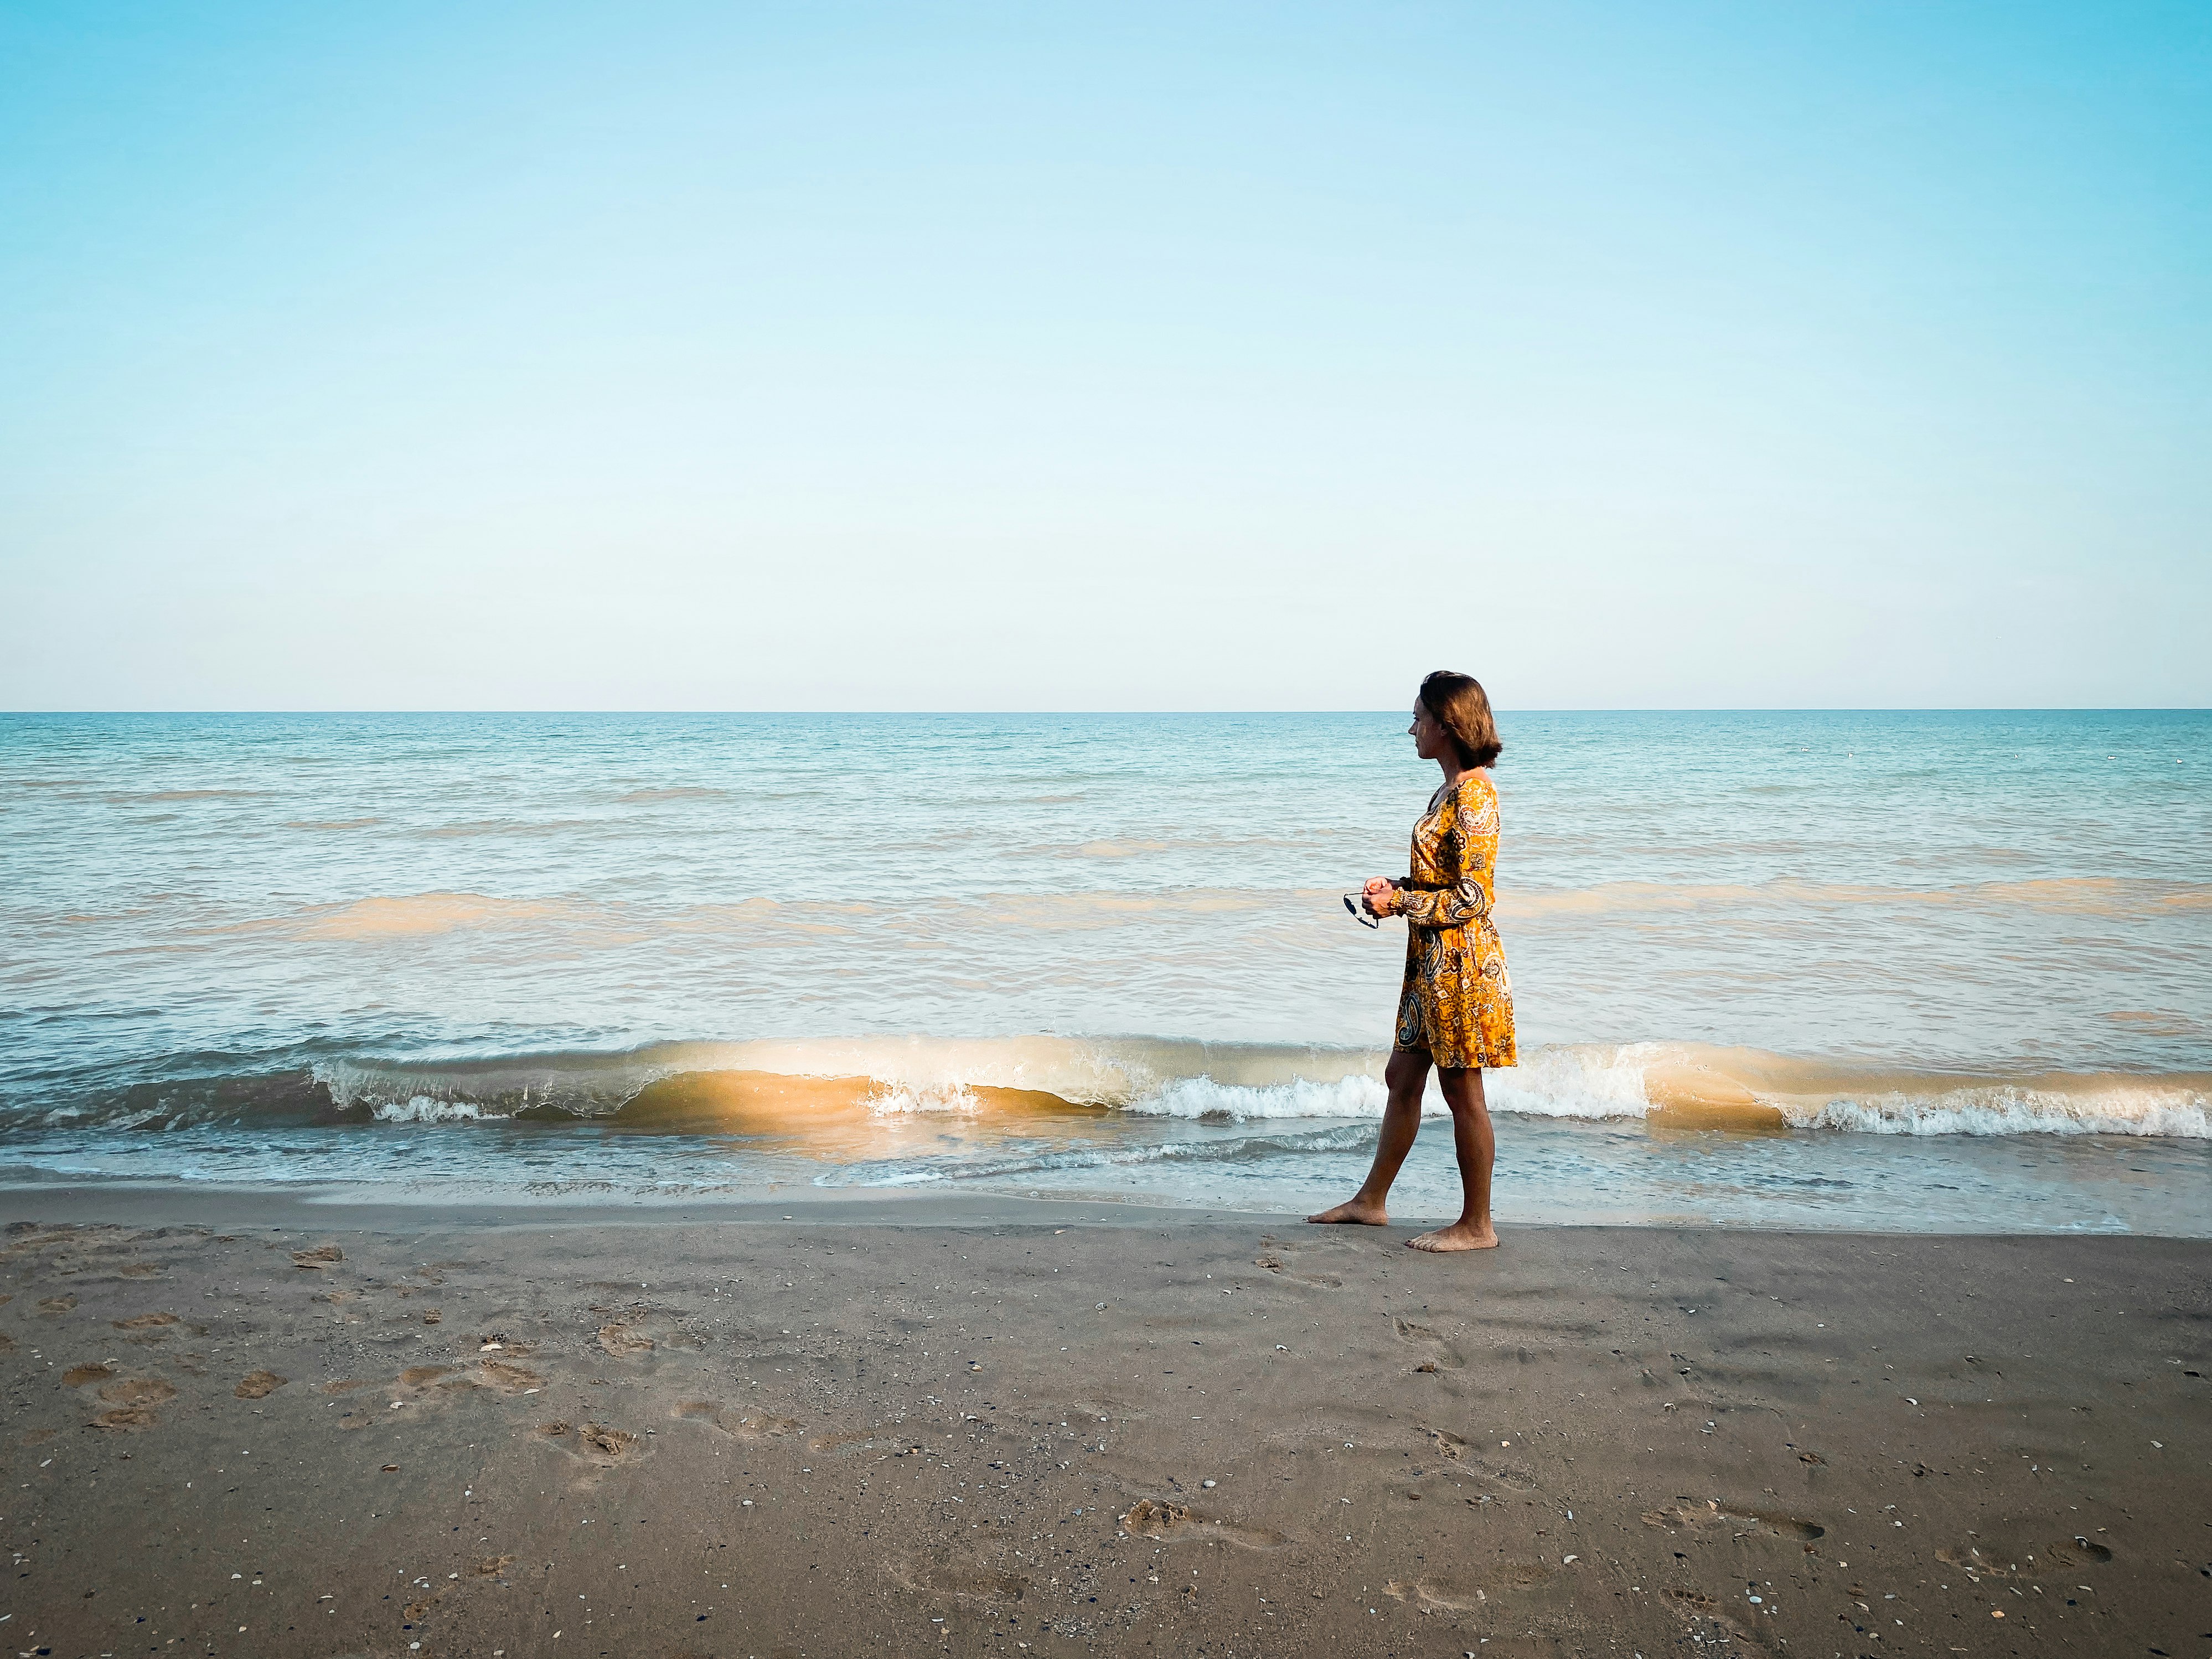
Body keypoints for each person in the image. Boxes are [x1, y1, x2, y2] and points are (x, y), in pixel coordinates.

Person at [1309, 671, 1518, 1250]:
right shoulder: (1446, 792)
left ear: (1448, 725)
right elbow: (1442, 881)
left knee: (1461, 1090)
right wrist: (1396, 887)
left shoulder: (1475, 795)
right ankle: (1370, 1202)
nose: (1411, 728)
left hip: (1460, 964)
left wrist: (1400, 901)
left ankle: (1478, 1225)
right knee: (1402, 1076)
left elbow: (1475, 897)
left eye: (1419, 718)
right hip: (1428, 963)